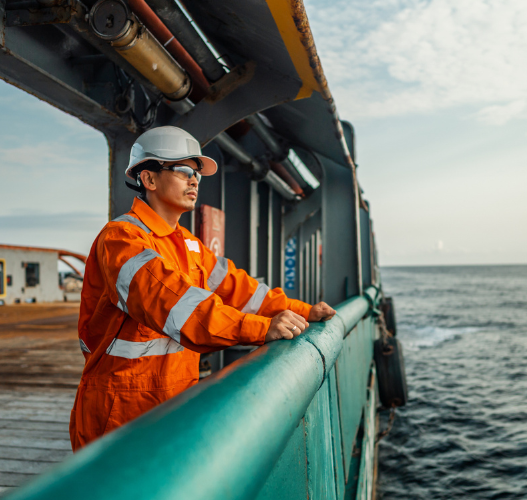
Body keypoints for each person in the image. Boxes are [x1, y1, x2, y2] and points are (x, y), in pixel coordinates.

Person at [69, 126, 336, 451]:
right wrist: (262, 329)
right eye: (183, 170)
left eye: (196, 173)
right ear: (149, 179)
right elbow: (175, 306)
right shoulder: (122, 240)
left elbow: (242, 291)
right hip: (121, 411)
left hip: (173, 402)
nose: (195, 180)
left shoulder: (188, 244)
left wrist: (303, 311)